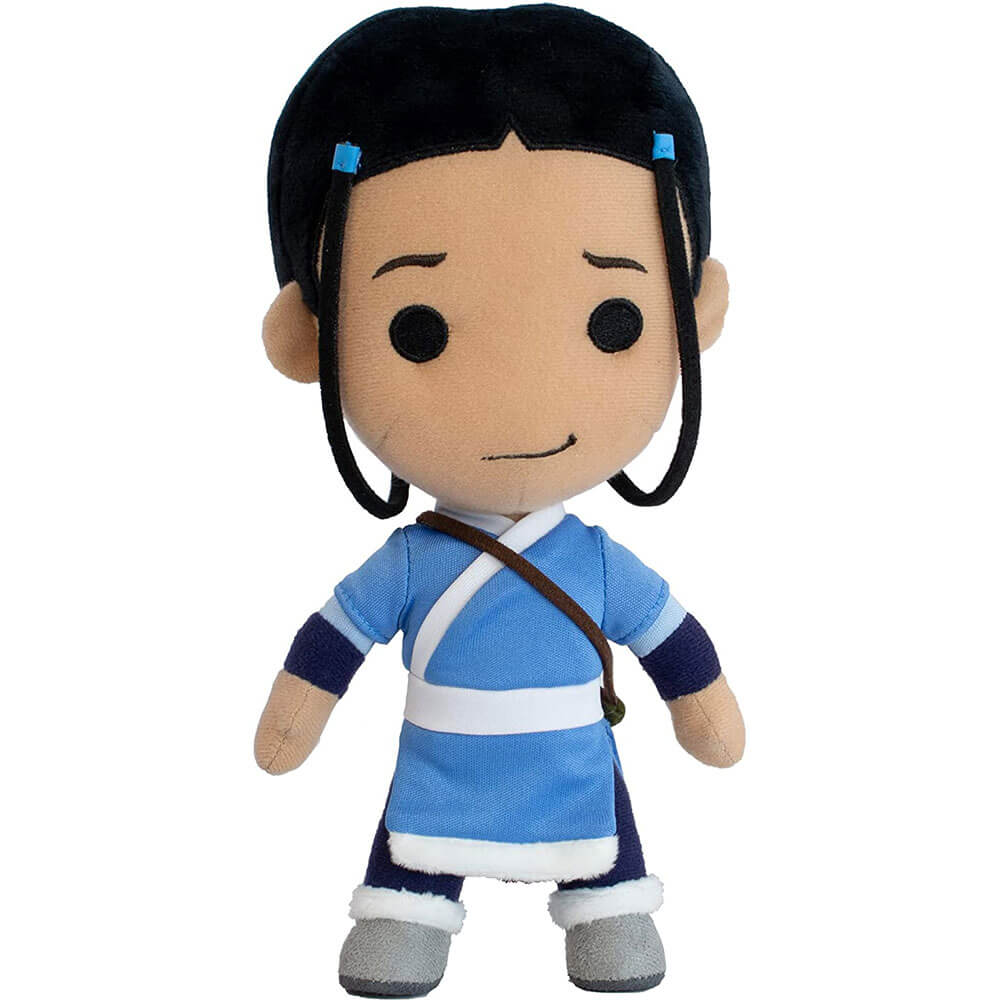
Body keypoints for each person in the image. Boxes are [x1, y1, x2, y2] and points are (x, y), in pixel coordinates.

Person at [254, 6, 745, 994]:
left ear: (691, 316)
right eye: (418, 329)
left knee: (601, 830)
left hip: (571, 760)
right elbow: (332, 640)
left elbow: (673, 643)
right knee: (414, 834)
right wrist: (294, 718)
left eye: (613, 320)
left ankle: (609, 910)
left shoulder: (592, 562)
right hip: (442, 758)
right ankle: (410, 913)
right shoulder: (415, 562)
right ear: (311, 337)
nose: (521, 386)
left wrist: (705, 711)